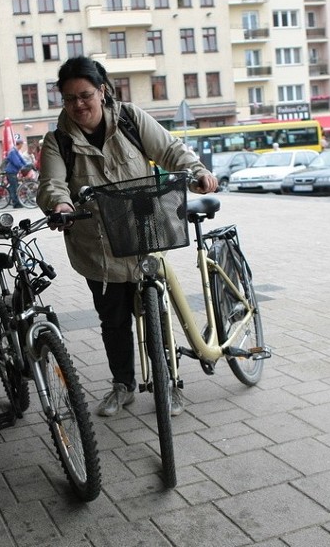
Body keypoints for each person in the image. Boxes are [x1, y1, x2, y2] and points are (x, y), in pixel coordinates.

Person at [37, 57, 217, 418]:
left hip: (143, 234)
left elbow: (169, 150)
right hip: (97, 246)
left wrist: (196, 170)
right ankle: (123, 385)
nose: (78, 105)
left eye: (85, 95)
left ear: (102, 91)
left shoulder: (131, 119)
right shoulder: (58, 141)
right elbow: (52, 184)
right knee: (113, 320)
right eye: (69, 98)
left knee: (156, 312)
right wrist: (60, 205)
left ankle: (168, 381)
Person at [4, 137, 29, 208]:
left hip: (13, 172)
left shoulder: (15, 151)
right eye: (22, 144)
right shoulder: (13, 152)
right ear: (20, 144)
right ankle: (16, 203)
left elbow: (21, 159)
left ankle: (17, 202)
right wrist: (22, 166)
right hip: (11, 172)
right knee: (14, 187)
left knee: (15, 186)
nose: (22, 146)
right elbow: (17, 162)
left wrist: (27, 164)